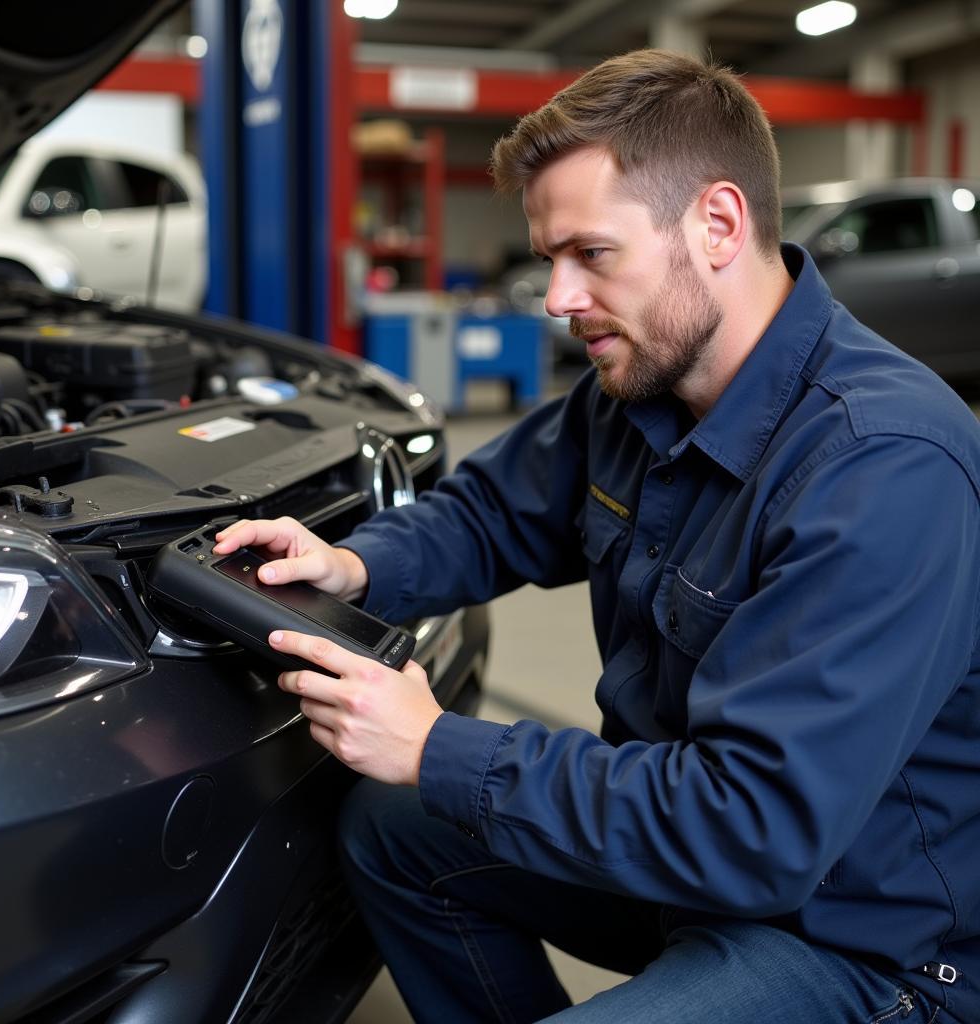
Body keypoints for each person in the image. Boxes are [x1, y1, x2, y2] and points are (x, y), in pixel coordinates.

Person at [213, 49, 980, 1024]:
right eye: (549, 261)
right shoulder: (637, 393)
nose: (557, 299)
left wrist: (440, 746)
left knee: (426, 782)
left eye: (591, 254)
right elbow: (492, 512)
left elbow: (756, 825)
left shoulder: (884, 465)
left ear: (715, 223)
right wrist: (356, 562)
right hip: (687, 867)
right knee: (393, 829)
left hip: (861, 940)